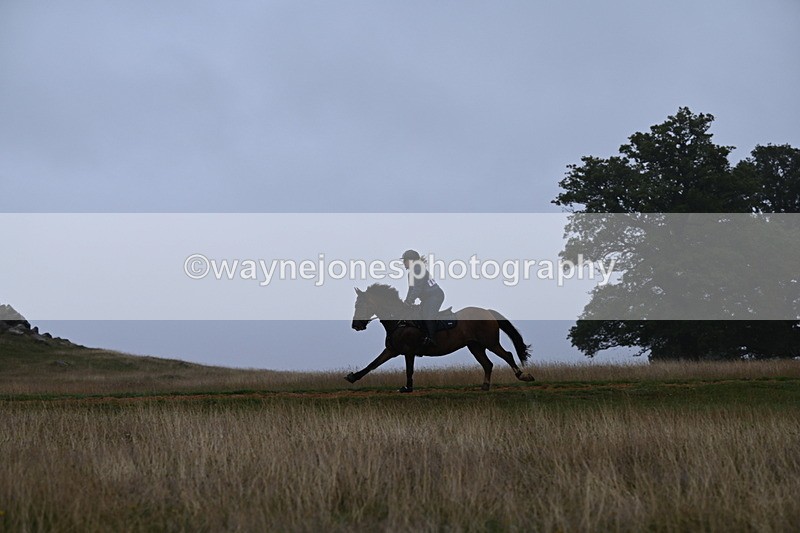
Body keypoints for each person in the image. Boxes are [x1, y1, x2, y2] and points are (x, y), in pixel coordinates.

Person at [401, 249, 445, 346]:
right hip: (428, 298)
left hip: (435, 296)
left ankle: (432, 339)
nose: (403, 263)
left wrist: (409, 301)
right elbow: (411, 289)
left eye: (405, 260)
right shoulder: (412, 272)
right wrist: (406, 301)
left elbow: (417, 289)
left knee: (427, 316)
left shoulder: (417, 270)